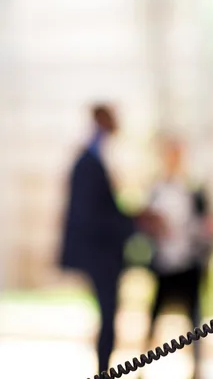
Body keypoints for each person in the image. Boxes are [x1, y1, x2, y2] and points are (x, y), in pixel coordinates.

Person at [60, 103, 163, 374]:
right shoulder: (89, 162)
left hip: (102, 251)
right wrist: (135, 222)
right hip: (100, 253)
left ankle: (104, 367)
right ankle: (104, 369)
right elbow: (94, 215)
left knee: (109, 315)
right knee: (107, 315)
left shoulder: (94, 158)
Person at [145, 137, 211, 377]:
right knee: (153, 318)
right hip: (164, 263)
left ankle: (197, 369)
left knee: (194, 321)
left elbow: (204, 227)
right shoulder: (156, 189)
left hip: (188, 264)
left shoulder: (193, 190)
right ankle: (143, 366)